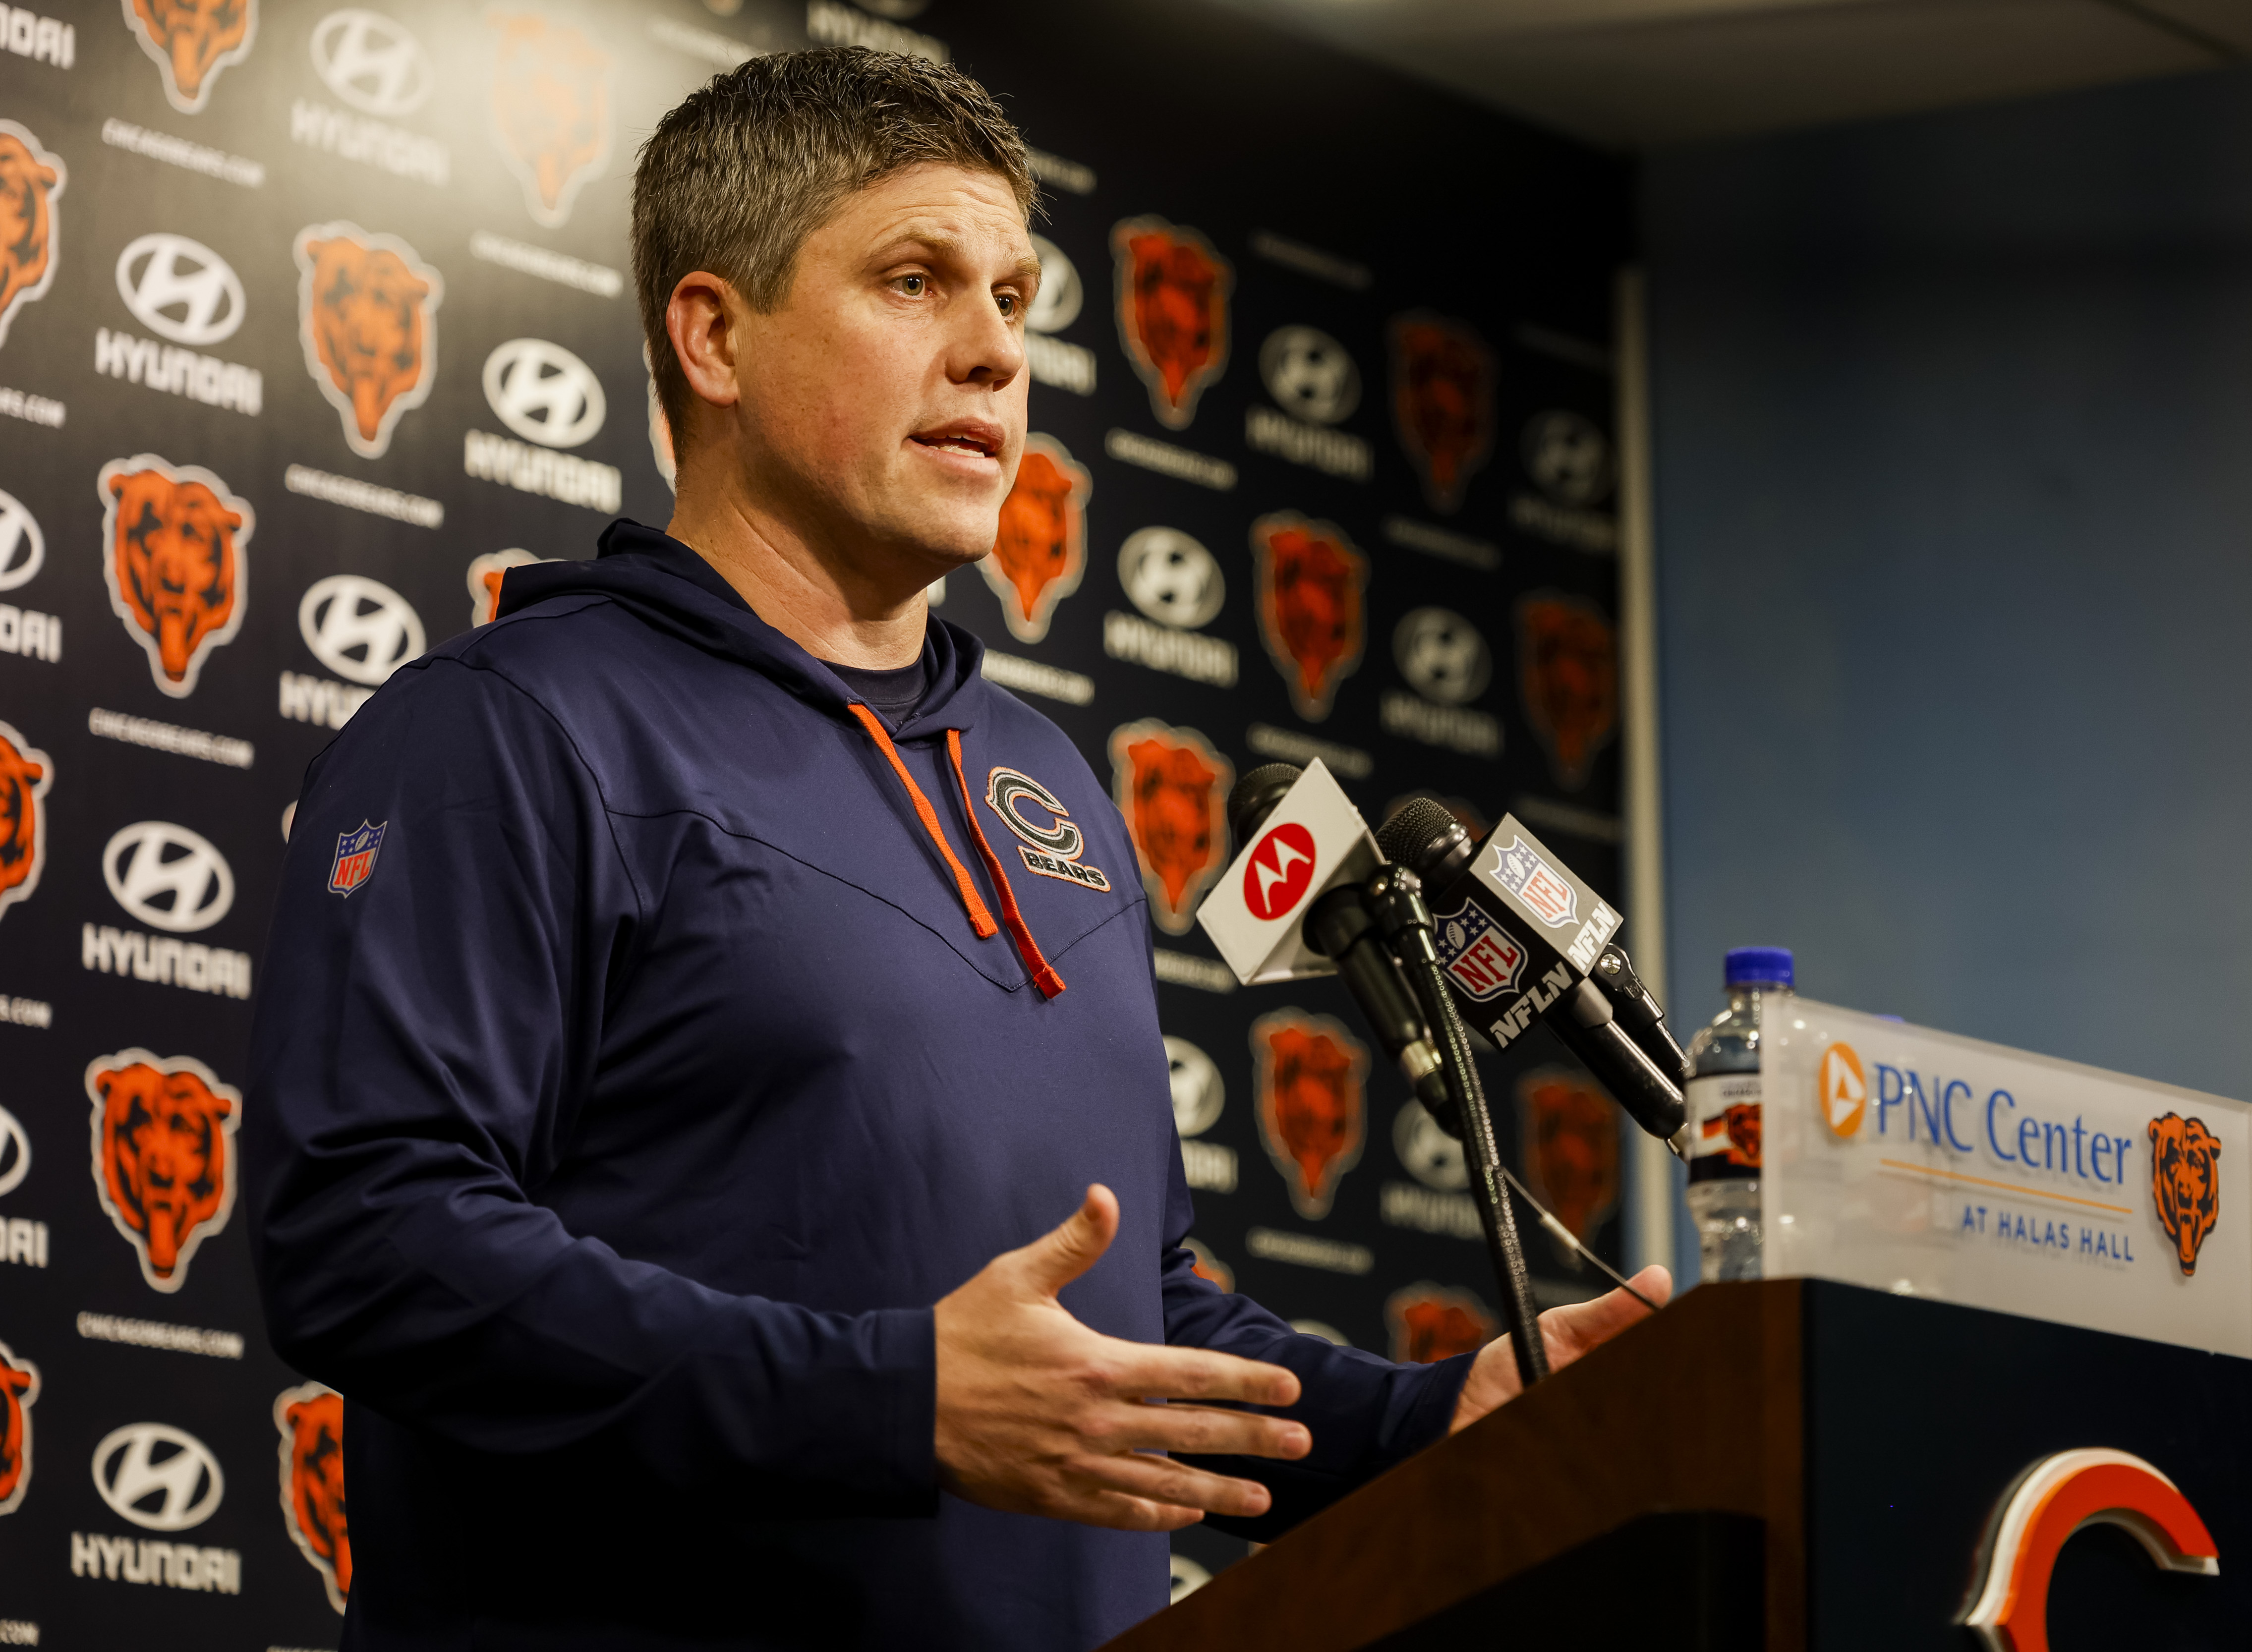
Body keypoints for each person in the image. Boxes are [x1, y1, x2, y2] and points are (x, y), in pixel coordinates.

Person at [244, 47, 1669, 1652]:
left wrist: (1419, 1424)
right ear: (712, 335)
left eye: (1015, 296)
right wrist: (892, 1399)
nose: (996, 354)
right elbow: (368, 1236)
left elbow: (1127, 1319)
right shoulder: (508, 731)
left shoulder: (1042, 783)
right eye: (915, 282)